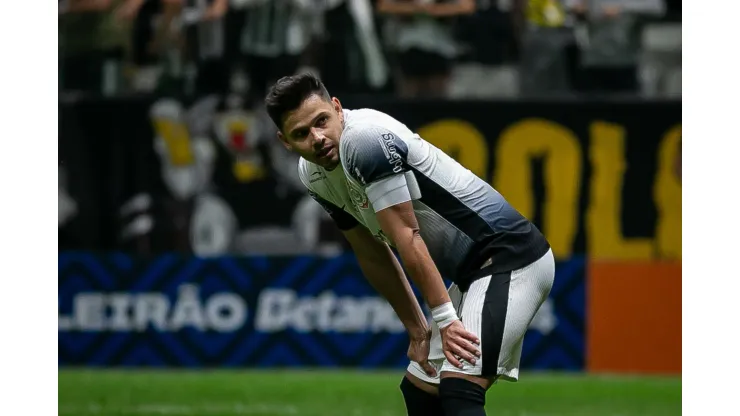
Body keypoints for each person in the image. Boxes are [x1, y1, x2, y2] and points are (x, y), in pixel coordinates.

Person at [264, 73, 555, 416]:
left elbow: (407, 235)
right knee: (421, 389)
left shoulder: (364, 141)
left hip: (511, 258)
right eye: (302, 134)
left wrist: (444, 320)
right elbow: (371, 251)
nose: (317, 138)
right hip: (473, 274)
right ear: (285, 141)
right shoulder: (311, 173)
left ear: (337, 108)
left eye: (322, 121)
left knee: (461, 385)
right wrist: (417, 328)